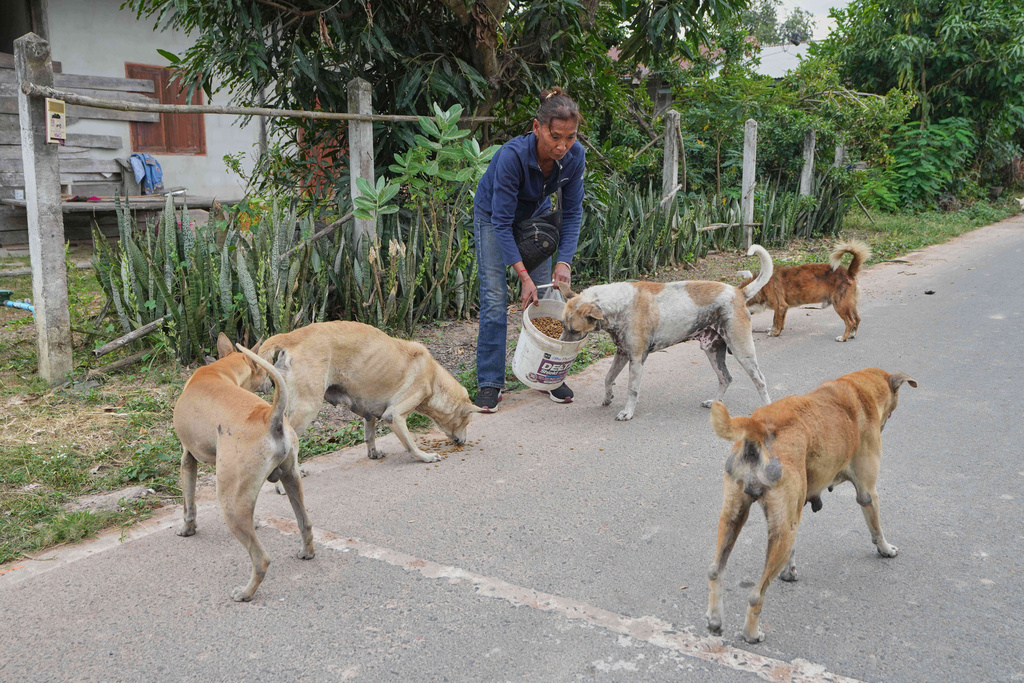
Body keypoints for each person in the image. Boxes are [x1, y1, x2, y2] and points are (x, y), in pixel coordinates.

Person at [472, 87, 586, 413]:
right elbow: (502, 220)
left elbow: (573, 211)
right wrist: (523, 275)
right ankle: (490, 382)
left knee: (546, 300)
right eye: (555, 137)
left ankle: (545, 376)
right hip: (493, 218)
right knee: (495, 299)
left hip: (535, 217)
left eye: (571, 137)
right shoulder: (511, 157)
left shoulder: (574, 157)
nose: (563, 146)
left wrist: (563, 260)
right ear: (537, 128)